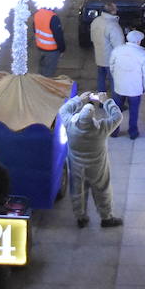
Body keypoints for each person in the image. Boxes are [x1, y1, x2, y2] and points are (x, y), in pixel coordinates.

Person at [58, 92, 123, 228]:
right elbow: (118, 116)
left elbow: (63, 110)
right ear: (93, 117)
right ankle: (106, 218)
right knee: (103, 190)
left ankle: (80, 217)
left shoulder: (71, 125)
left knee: (77, 191)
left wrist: (79, 100)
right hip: (97, 168)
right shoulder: (101, 129)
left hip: (76, 167)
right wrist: (106, 101)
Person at [109, 30, 145, 139]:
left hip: (119, 86)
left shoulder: (117, 50)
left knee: (116, 110)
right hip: (135, 88)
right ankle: (133, 132)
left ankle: (114, 131)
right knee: (134, 111)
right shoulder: (143, 54)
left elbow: (112, 65)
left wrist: (116, 77)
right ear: (138, 41)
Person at [89, 4, 124, 93]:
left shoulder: (95, 21)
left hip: (99, 56)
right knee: (114, 81)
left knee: (101, 79)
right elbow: (119, 46)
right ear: (113, 11)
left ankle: (102, 100)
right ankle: (115, 103)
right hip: (111, 59)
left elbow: (92, 38)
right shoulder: (113, 25)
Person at [33, 6, 66, 77]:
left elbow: (35, 29)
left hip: (40, 47)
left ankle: (39, 84)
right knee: (48, 73)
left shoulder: (37, 13)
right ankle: (45, 86)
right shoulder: (53, 17)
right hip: (51, 50)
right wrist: (62, 49)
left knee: (41, 70)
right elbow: (58, 36)